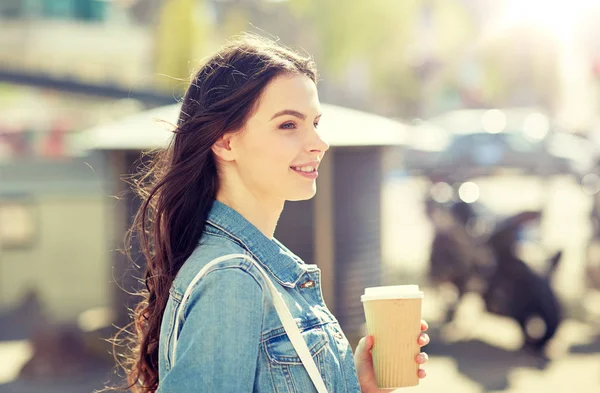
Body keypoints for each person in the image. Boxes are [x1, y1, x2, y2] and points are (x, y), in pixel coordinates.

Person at [114, 34, 430, 393]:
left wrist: (356, 384)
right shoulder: (232, 279)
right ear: (225, 141)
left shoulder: (254, 269)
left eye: (315, 123)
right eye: (288, 125)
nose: (318, 143)